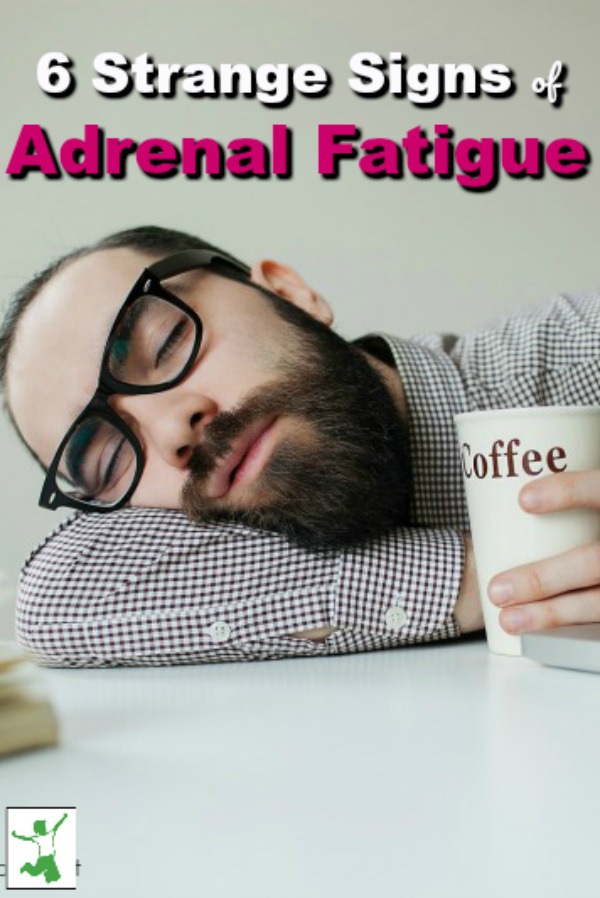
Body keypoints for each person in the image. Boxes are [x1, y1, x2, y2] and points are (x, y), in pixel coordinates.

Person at [1, 225, 599, 667]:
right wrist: (507, 573)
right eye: (109, 458)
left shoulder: (580, 353)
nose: (170, 432)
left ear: (291, 293)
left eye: (166, 344)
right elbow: (57, 597)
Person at [11, 813, 68, 883]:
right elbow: (25, 838)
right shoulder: (37, 838)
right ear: (38, 830)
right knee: (35, 873)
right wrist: (16, 835)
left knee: (57, 877)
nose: (44, 828)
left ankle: (48, 875)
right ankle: (27, 866)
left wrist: (64, 817)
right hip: (43, 859)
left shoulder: (50, 834)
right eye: (42, 828)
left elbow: (57, 825)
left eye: (44, 827)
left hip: (50, 858)